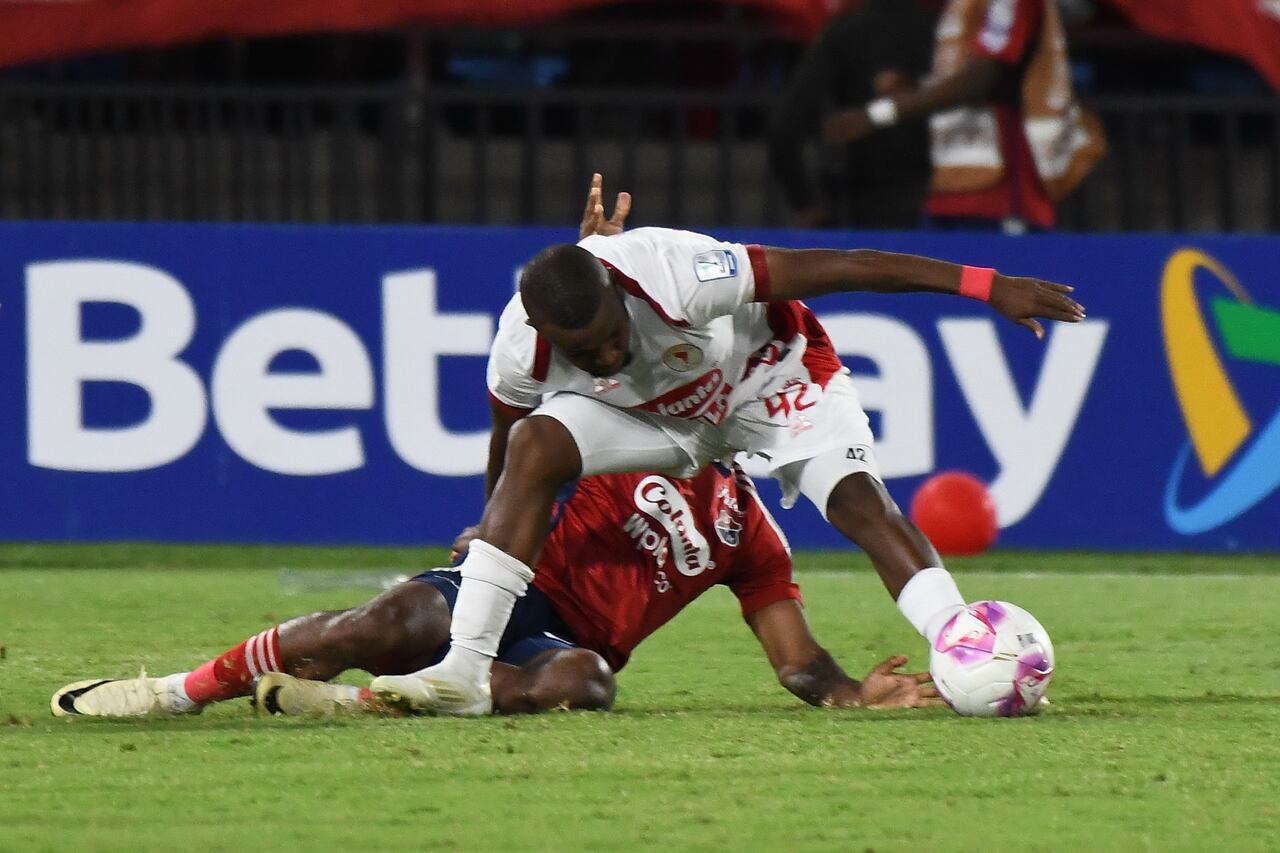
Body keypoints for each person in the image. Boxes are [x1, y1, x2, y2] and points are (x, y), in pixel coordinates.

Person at [368, 174, 1084, 716]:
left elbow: (845, 266)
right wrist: (489, 517)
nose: (611, 352)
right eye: (588, 353)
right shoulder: (520, 350)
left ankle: (962, 641)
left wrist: (987, 286)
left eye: (616, 332)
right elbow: (506, 445)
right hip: (658, 422)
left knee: (859, 501)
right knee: (535, 443)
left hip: (766, 377)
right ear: (550, 340)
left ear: (619, 292)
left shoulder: (675, 269)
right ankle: (464, 670)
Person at [50, 464, 941, 718]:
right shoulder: (624, 422)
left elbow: (794, 658)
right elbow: (541, 395)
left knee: (585, 685)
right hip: (503, 589)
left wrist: (856, 689)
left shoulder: (752, 533)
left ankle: (350, 704)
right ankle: (173, 691)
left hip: (551, 647)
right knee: (386, 620)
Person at [822, 0, 1105, 233]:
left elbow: (984, 78)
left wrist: (882, 113)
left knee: (1006, 292)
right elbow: (959, 77)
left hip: (1002, 187)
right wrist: (910, 91)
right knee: (941, 297)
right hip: (951, 178)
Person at [767, 0, 941, 228]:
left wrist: (806, 203)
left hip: (863, 200)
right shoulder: (944, 31)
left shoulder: (845, 32)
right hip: (943, 190)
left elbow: (785, 125)